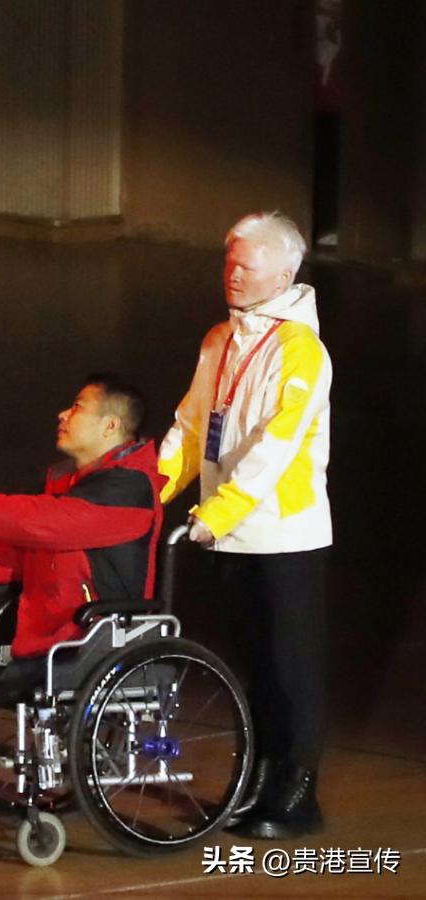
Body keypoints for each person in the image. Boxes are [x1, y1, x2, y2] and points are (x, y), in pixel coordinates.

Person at [159, 211, 332, 840]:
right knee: (254, 665)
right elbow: (190, 422)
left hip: (282, 536)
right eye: (228, 262)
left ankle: (299, 789)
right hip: (224, 531)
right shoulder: (219, 340)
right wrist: (150, 489)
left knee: (291, 669)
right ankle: (259, 775)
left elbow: (275, 448)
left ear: (283, 274)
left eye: (247, 266)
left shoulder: (302, 352)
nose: (232, 274)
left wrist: (220, 512)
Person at [0, 374, 164, 704]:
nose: (62, 415)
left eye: (77, 407)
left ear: (110, 426)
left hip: (92, 643)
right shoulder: (66, 482)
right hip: (43, 640)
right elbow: (27, 557)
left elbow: (37, 522)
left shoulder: (127, 491)